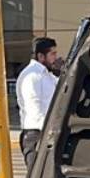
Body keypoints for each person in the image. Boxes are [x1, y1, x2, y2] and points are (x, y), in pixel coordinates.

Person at [16, 36, 60, 168]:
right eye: (52, 54)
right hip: (36, 134)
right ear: (41, 56)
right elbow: (35, 110)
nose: (55, 57)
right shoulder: (31, 76)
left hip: (45, 132)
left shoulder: (46, 74)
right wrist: (50, 131)